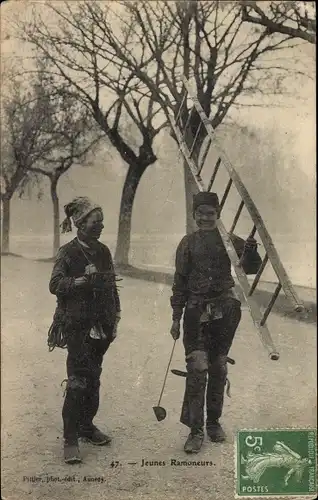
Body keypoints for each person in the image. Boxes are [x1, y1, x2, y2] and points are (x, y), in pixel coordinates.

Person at [170, 191, 262, 454]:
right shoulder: (187, 244)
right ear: (194, 215)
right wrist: (176, 317)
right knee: (198, 368)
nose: (205, 218)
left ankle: (213, 423)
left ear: (218, 214)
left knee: (219, 367)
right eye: (200, 213)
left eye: (210, 213)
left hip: (225, 311)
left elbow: (250, 267)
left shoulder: (230, 241)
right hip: (196, 312)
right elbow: (179, 284)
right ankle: (195, 430)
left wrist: (252, 252)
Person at [48, 197, 121, 464]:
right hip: (76, 325)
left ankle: (86, 426)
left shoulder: (103, 251)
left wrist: (116, 315)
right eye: (94, 222)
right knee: (78, 380)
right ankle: (70, 439)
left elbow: (112, 285)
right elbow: (55, 284)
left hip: (102, 324)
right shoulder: (68, 252)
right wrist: (80, 280)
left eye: (101, 222)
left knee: (94, 376)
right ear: (79, 224)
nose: (100, 226)